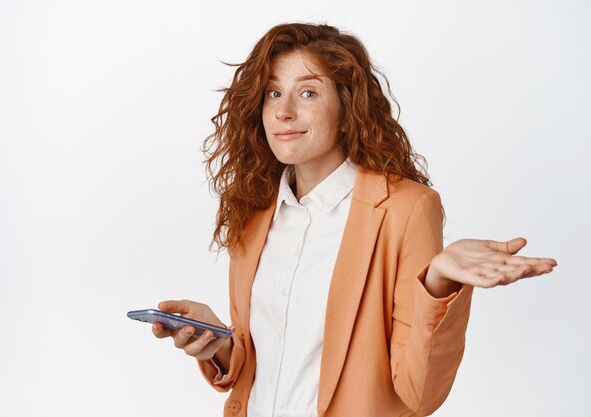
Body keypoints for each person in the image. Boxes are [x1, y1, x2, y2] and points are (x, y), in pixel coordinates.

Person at [151, 23, 557, 417]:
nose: (284, 111)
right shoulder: (254, 209)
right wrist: (218, 341)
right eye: (273, 92)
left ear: (347, 108)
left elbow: (420, 393)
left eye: (308, 92)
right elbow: (273, 365)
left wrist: (440, 283)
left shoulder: (405, 208)